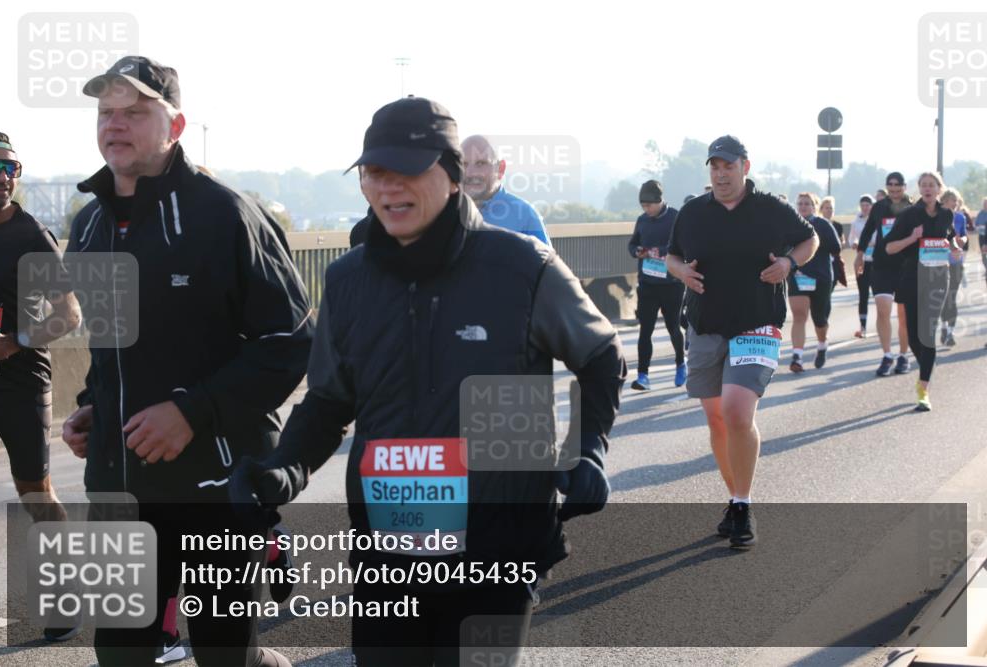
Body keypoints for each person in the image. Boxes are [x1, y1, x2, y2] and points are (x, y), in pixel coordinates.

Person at [228, 97, 625, 665]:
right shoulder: (347, 282)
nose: (388, 187)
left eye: (406, 170)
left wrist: (588, 449)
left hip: (497, 550)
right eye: (374, 172)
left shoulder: (523, 267)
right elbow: (328, 401)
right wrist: (282, 469)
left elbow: (601, 356)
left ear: (452, 171)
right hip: (387, 554)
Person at [60, 56, 310, 667]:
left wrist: (192, 413)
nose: (115, 125)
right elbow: (111, 350)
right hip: (117, 491)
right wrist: (92, 407)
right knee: (119, 653)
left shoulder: (226, 214)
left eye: (135, 112)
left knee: (225, 654)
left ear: (175, 126)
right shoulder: (88, 225)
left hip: (215, 491)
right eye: (106, 113)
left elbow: (292, 344)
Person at [666, 135, 818, 548]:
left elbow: (810, 240)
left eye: (728, 166)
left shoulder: (771, 209)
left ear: (745, 168)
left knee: (736, 411)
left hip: (757, 323)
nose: (720, 174)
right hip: (704, 324)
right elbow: (671, 256)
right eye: (714, 167)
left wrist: (789, 262)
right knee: (716, 418)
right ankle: (735, 500)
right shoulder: (693, 212)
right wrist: (681, 273)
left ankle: (743, 503)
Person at [0, 132, 83, 641]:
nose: (3, 177)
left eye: (11, 168)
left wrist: (11, 342)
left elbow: (69, 313)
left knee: (35, 495)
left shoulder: (31, 234)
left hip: (22, 381)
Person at [884, 172, 961, 411]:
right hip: (911, 280)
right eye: (923, 185)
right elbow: (889, 248)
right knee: (916, 336)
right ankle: (926, 365)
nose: (927, 189)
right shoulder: (909, 215)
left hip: (938, 279)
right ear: (919, 189)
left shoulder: (947, 214)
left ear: (939, 189)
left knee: (927, 332)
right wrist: (912, 238)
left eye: (932, 185)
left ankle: (923, 388)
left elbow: (950, 238)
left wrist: (956, 248)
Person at [627, 180, 686, 390]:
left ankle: (681, 364)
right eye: (643, 206)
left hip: (672, 284)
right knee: (646, 330)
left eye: (649, 205)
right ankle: (643, 376)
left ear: (659, 201)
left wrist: (660, 252)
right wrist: (637, 251)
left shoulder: (675, 217)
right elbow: (632, 244)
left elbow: (683, 245)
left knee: (673, 327)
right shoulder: (642, 220)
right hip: (648, 284)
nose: (646, 210)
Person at [855, 172, 912, 376]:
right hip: (882, 265)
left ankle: (903, 356)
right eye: (891, 184)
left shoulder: (912, 207)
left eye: (898, 185)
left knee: (904, 317)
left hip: (905, 266)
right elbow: (868, 230)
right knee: (882, 310)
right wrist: (860, 255)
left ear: (905, 186)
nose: (894, 188)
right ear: (887, 187)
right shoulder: (879, 207)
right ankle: (887, 355)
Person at [460, 134, 551, 245]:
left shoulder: (525, 218)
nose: (470, 173)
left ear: (500, 168)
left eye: (481, 163)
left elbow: (545, 261)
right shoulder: (443, 212)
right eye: (463, 164)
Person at [787, 193, 841, 372]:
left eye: (807, 204)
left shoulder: (822, 224)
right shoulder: (791, 224)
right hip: (797, 275)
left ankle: (822, 345)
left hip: (821, 276)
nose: (803, 206)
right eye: (800, 203)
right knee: (799, 315)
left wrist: (814, 244)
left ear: (814, 206)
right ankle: (797, 357)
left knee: (819, 318)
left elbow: (836, 248)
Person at [939, 188, 969, 347]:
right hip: (940, 263)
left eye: (957, 201)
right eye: (953, 201)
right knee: (942, 298)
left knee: (951, 298)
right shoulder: (936, 216)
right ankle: (943, 327)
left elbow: (964, 235)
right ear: (944, 201)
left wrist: (962, 239)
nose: (956, 204)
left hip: (956, 262)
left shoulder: (960, 217)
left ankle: (950, 333)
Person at [848, 194, 876, 337]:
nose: (865, 208)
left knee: (879, 295)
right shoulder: (856, 221)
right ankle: (863, 327)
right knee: (863, 295)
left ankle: (882, 322)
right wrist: (854, 243)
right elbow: (851, 238)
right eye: (863, 205)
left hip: (877, 261)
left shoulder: (878, 219)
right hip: (862, 260)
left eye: (868, 205)